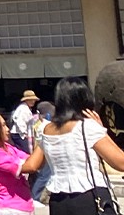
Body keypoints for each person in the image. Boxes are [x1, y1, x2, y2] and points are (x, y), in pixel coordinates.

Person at [25, 77, 124, 215]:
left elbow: (34, 164)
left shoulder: (45, 128)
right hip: (89, 195)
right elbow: (120, 163)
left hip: (58, 199)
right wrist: (102, 130)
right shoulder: (88, 127)